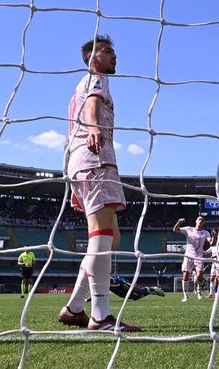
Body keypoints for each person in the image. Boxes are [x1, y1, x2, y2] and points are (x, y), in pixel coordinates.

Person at [57, 35, 141, 332]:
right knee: (102, 235)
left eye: (113, 50)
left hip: (82, 162)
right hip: (95, 160)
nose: (113, 55)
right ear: (93, 57)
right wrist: (94, 128)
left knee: (110, 238)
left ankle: (74, 308)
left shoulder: (82, 85)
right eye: (107, 51)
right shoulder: (96, 78)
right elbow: (93, 105)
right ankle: (101, 316)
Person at [173, 216, 211, 302]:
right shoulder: (188, 229)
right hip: (188, 256)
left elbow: (211, 242)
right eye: (199, 219)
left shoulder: (205, 233)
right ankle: (185, 295)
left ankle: (199, 288)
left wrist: (215, 237)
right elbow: (175, 230)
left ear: (204, 223)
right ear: (196, 221)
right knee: (185, 274)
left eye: (202, 220)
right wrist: (179, 222)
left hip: (199, 257)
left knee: (199, 276)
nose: (200, 221)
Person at [87, 275, 165, 302]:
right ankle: (151, 291)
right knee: (134, 298)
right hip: (117, 289)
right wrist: (90, 299)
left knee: (138, 291)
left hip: (121, 283)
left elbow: (99, 289)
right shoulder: (100, 282)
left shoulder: (112, 281)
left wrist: (133, 287)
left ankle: (152, 289)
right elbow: (98, 290)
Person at [205, 230, 219, 298]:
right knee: (212, 278)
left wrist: (213, 256)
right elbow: (206, 252)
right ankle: (211, 294)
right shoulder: (212, 247)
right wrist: (198, 250)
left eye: (213, 239)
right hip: (213, 263)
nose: (212, 241)